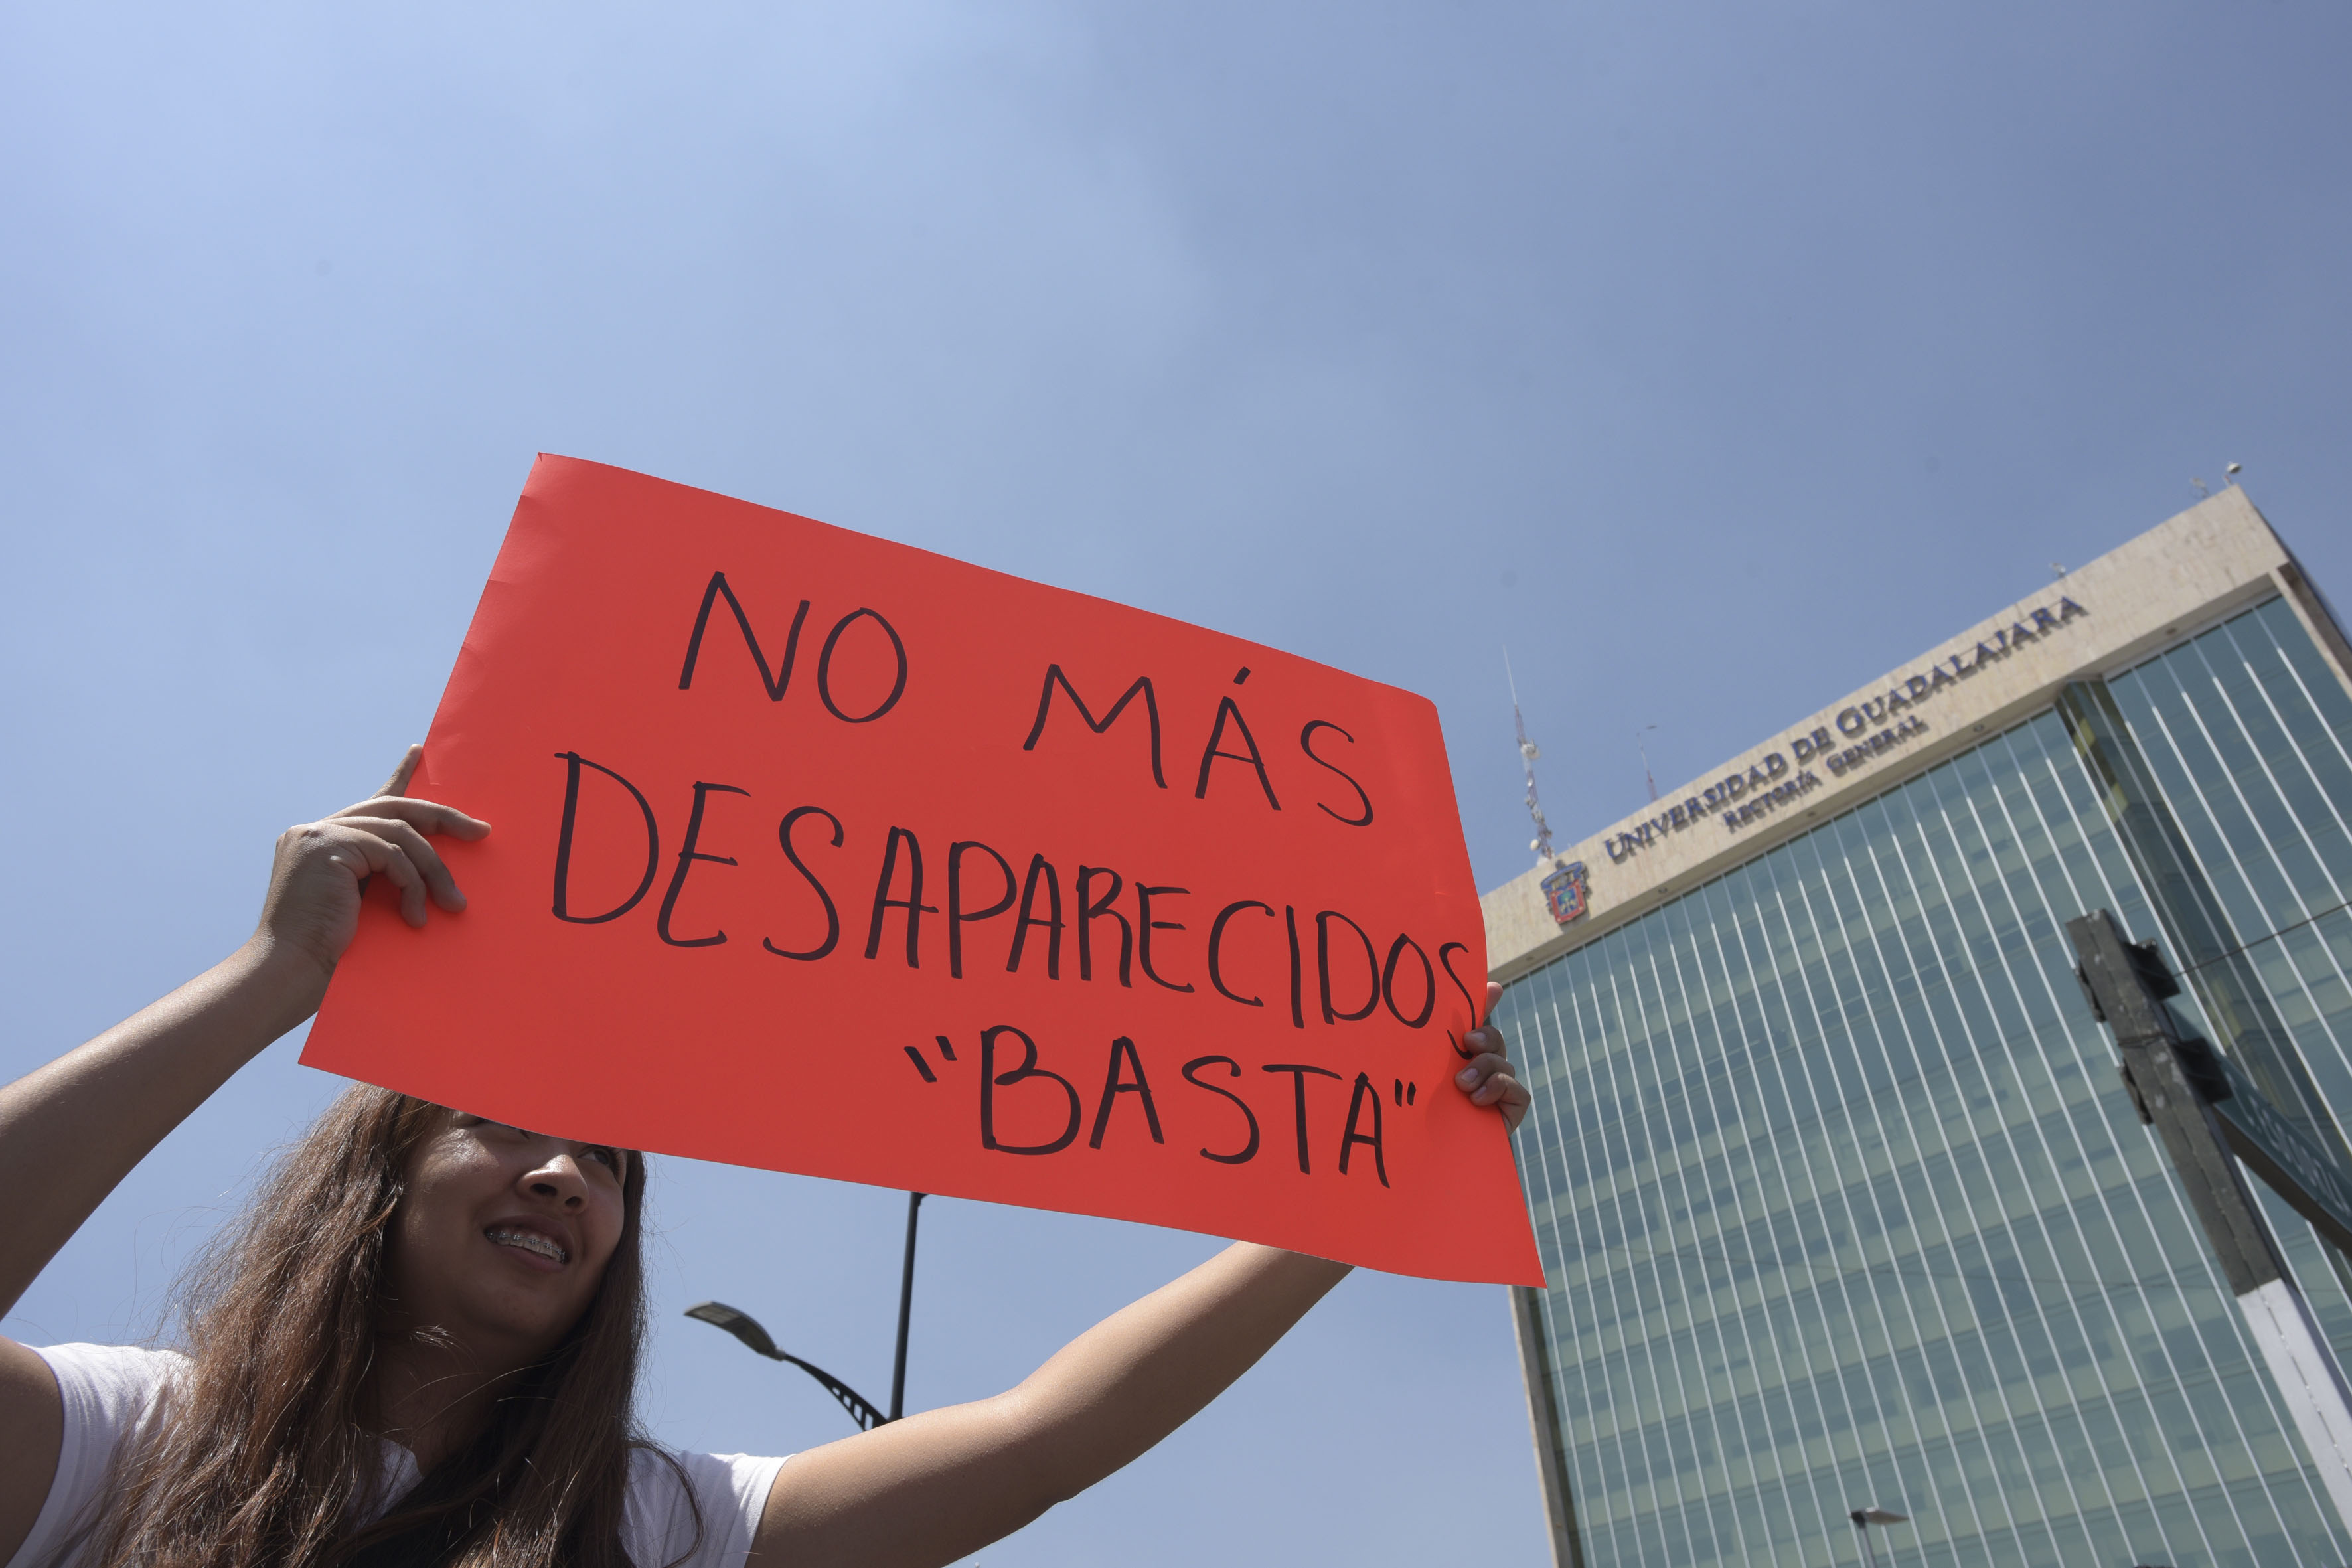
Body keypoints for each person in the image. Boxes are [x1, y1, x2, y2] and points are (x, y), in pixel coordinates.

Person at [0, 750, 1532, 1568]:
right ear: (374, 1182)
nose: (562, 1176)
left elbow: (1048, 1434)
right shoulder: (141, 1443)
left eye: (605, 1161)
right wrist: (268, 982)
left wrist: (1366, 1193)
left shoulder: (660, 1523)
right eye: (510, 1130)